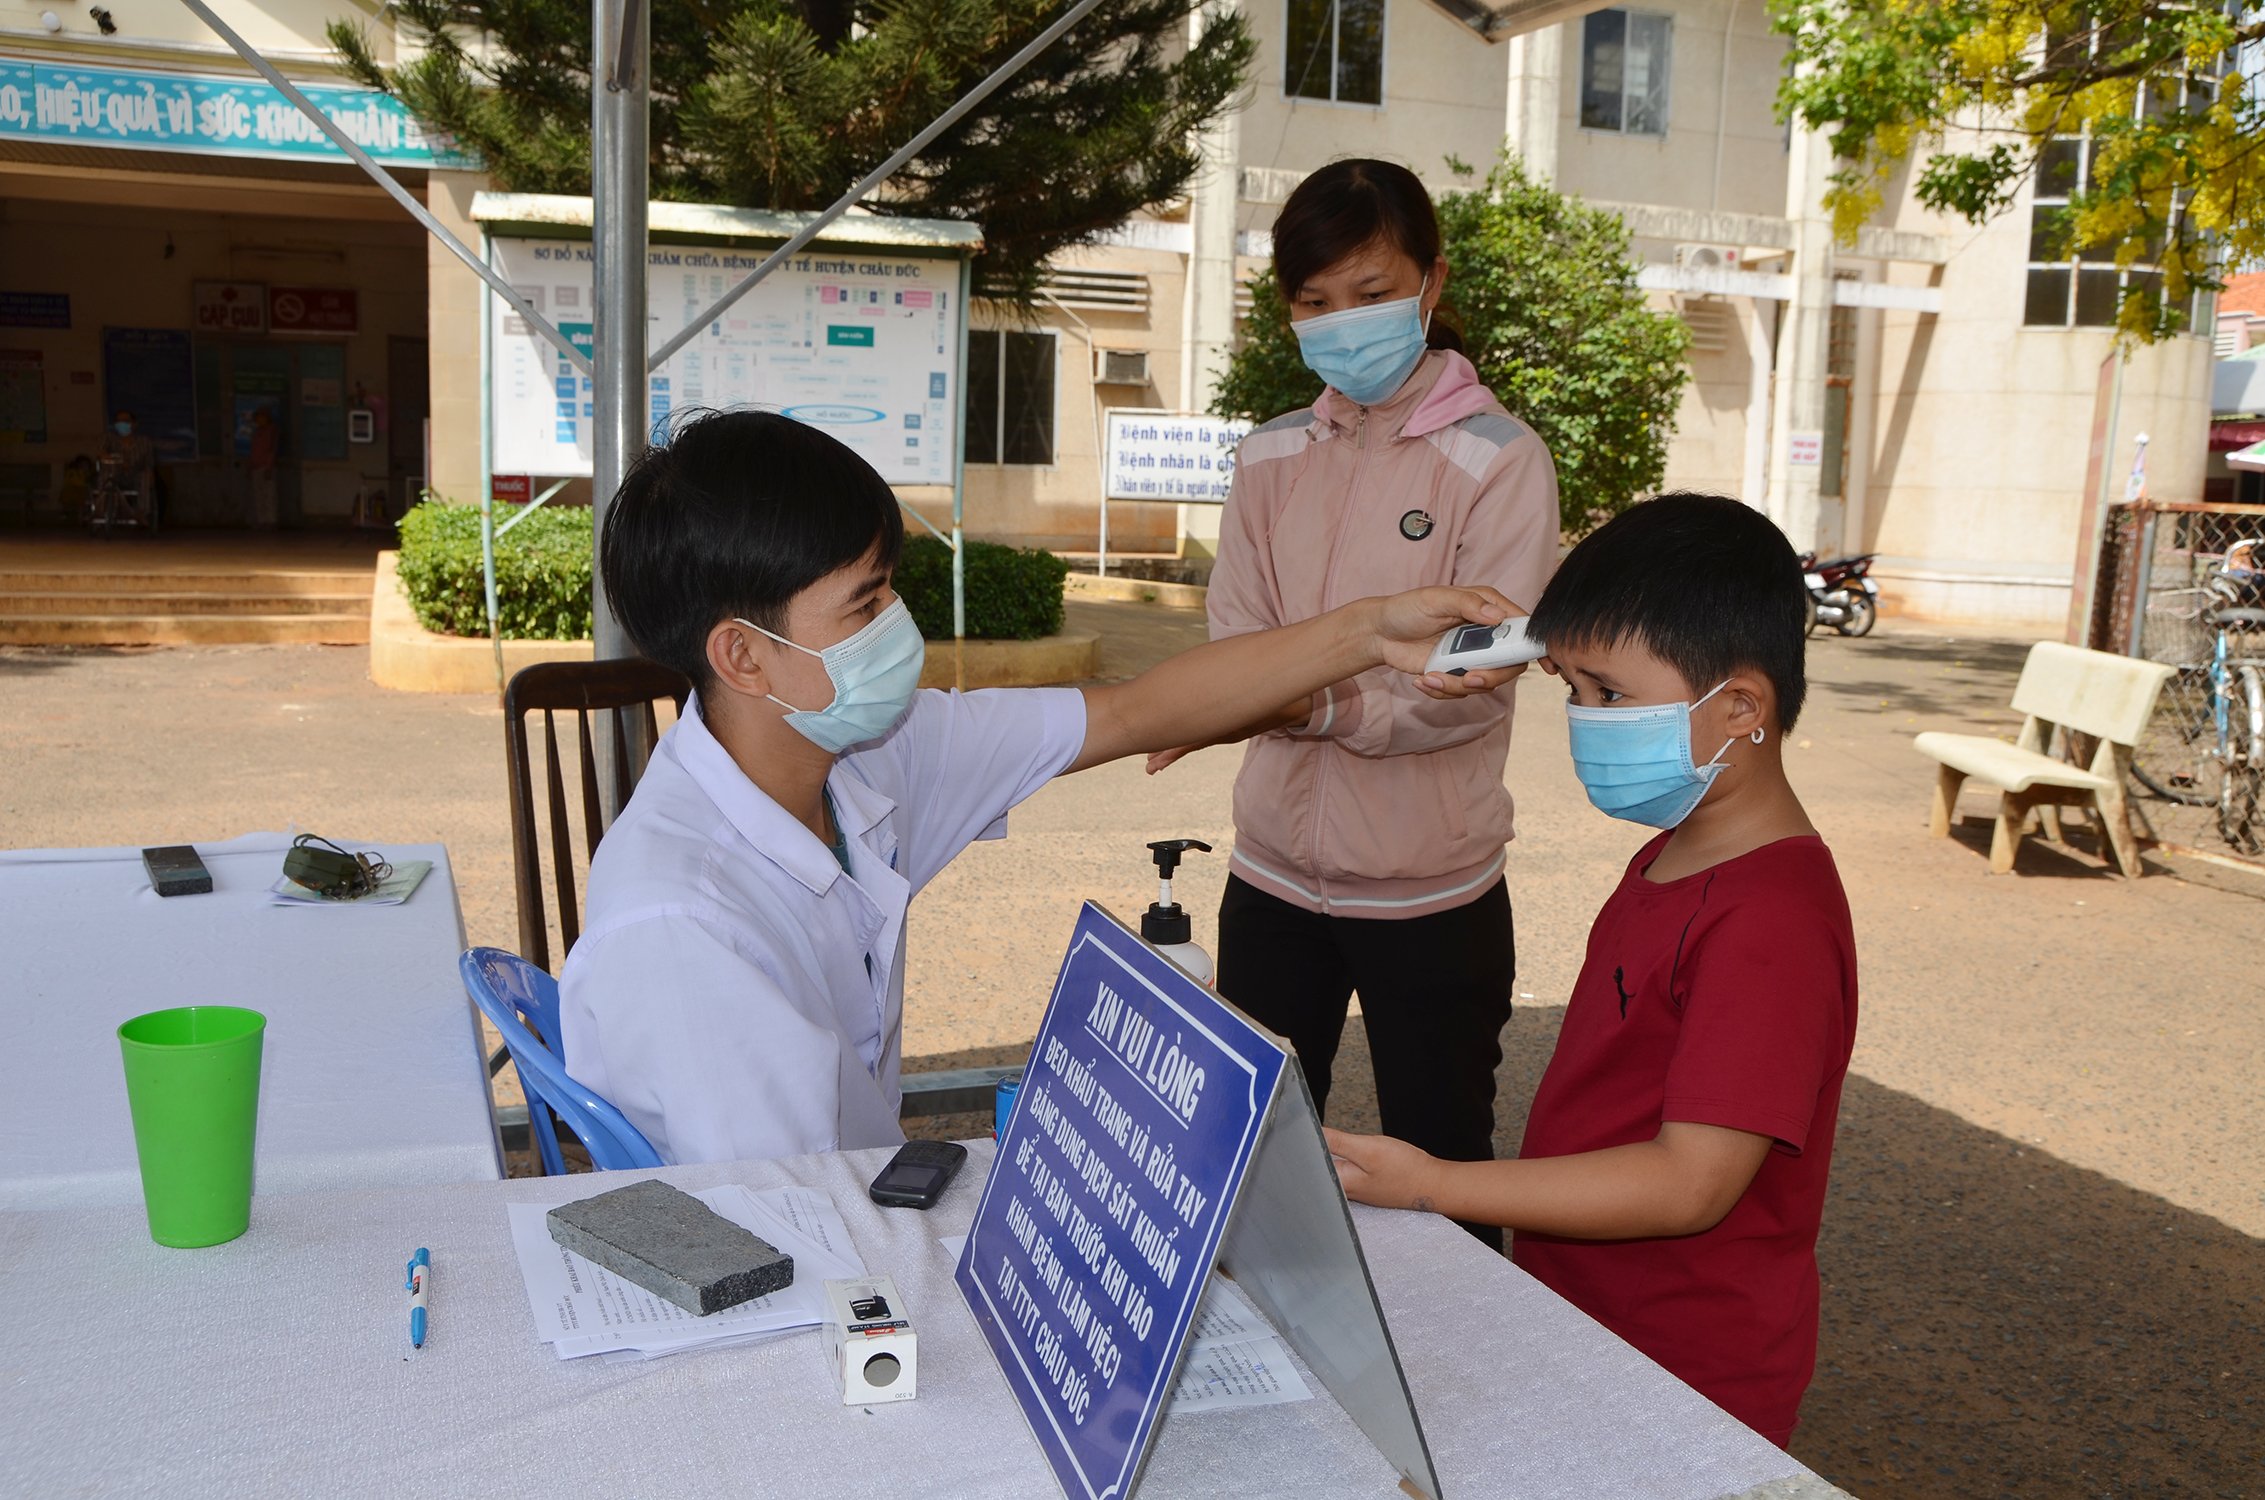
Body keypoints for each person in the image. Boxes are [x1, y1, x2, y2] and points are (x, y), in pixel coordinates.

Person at [558, 408, 1517, 1167]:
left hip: (856, 1205)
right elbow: (790, 1225)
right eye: (865, 601)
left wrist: (1366, 633)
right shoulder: (685, 928)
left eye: (889, 585)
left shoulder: (860, 755)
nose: (898, 624)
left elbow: (1135, 711)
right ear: (743, 654)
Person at [1325, 494, 1860, 1448]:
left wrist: (1435, 1185)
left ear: (1740, 707)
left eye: (1608, 693)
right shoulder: (1677, 850)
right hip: (1593, 1326)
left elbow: (1687, 1184)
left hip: (1686, 1374)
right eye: (1570, 688)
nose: (1582, 718)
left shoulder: (1767, 922)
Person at [1160, 158, 1559, 1249]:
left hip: (1434, 892)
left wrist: (1317, 704)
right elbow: (1238, 640)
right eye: (1315, 301)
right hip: (1273, 875)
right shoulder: (1271, 455)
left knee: (1442, 1164)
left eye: (1372, 291)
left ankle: (1468, 1392)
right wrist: (1290, 688)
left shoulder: (1501, 462)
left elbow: (1473, 686)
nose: (1344, 322)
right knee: (1253, 1154)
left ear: (1429, 287)